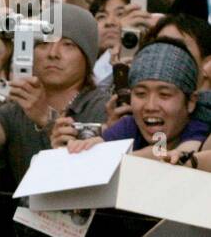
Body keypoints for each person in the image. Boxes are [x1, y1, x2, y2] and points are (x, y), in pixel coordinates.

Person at [0, 3, 107, 188]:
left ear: (87, 56)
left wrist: (46, 119)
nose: (53, 54)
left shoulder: (101, 107)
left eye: (68, 45)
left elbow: (84, 179)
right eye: (44, 43)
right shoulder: (18, 109)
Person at [55, 40, 208, 159]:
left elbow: (168, 153)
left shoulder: (199, 125)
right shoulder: (129, 126)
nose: (150, 106)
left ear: (191, 102)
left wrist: (115, 157)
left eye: (164, 95)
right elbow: (100, 146)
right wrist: (84, 148)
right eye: (141, 94)